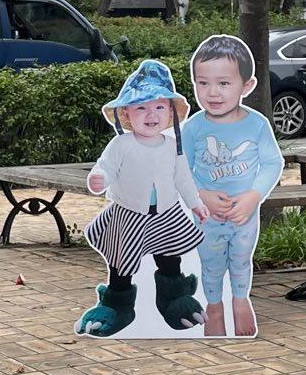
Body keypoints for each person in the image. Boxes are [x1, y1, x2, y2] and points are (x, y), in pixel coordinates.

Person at [76, 60, 208, 339]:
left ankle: (173, 298)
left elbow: (183, 177)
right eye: (141, 108)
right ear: (126, 114)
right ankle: (117, 303)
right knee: (121, 262)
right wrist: (98, 179)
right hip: (129, 215)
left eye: (160, 107)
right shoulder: (122, 144)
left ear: (171, 112)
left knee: (170, 257)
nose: (152, 114)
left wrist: (195, 203)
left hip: (167, 214)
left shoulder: (173, 146)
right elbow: (106, 167)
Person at [181, 35, 283, 338]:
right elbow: (180, 169)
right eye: (203, 83)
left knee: (241, 260)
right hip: (207, 218)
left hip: (244, 216)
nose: (212, 93)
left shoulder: (257, 124)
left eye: (223, 83)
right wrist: (202, 195)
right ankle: (214, 306)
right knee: (210, 263)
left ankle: (240, 300)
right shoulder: (193, 127)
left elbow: (272, 163)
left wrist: (253, 196)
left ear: (246, 86)